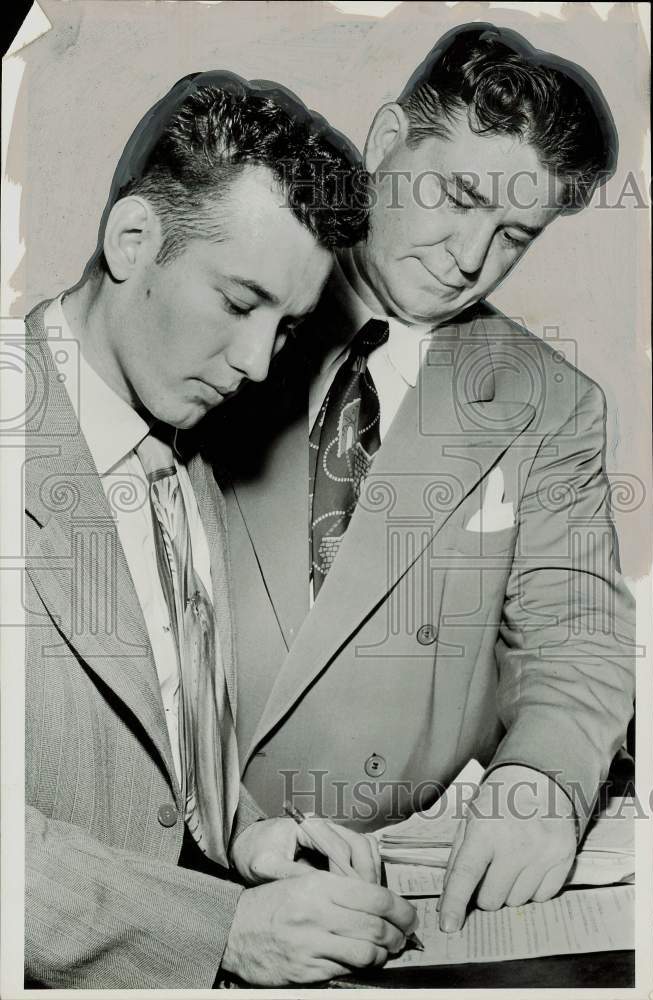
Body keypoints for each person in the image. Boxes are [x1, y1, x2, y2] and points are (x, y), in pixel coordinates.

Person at [218, 25, 636, 935]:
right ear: (384, 139)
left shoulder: (551, 404)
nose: (469, 255)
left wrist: (543, 782)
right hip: (182, 856)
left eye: (513, 234)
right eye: (458, 194)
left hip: (400, 879)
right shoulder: (226, 308)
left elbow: (575, 631)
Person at [23, 72, 418, 988]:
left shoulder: (186, 460)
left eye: (286, 330)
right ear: (133, 239)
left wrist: (241, 835)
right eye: (241, 303)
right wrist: (220, 929)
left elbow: (143, 751)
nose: (253, 364)